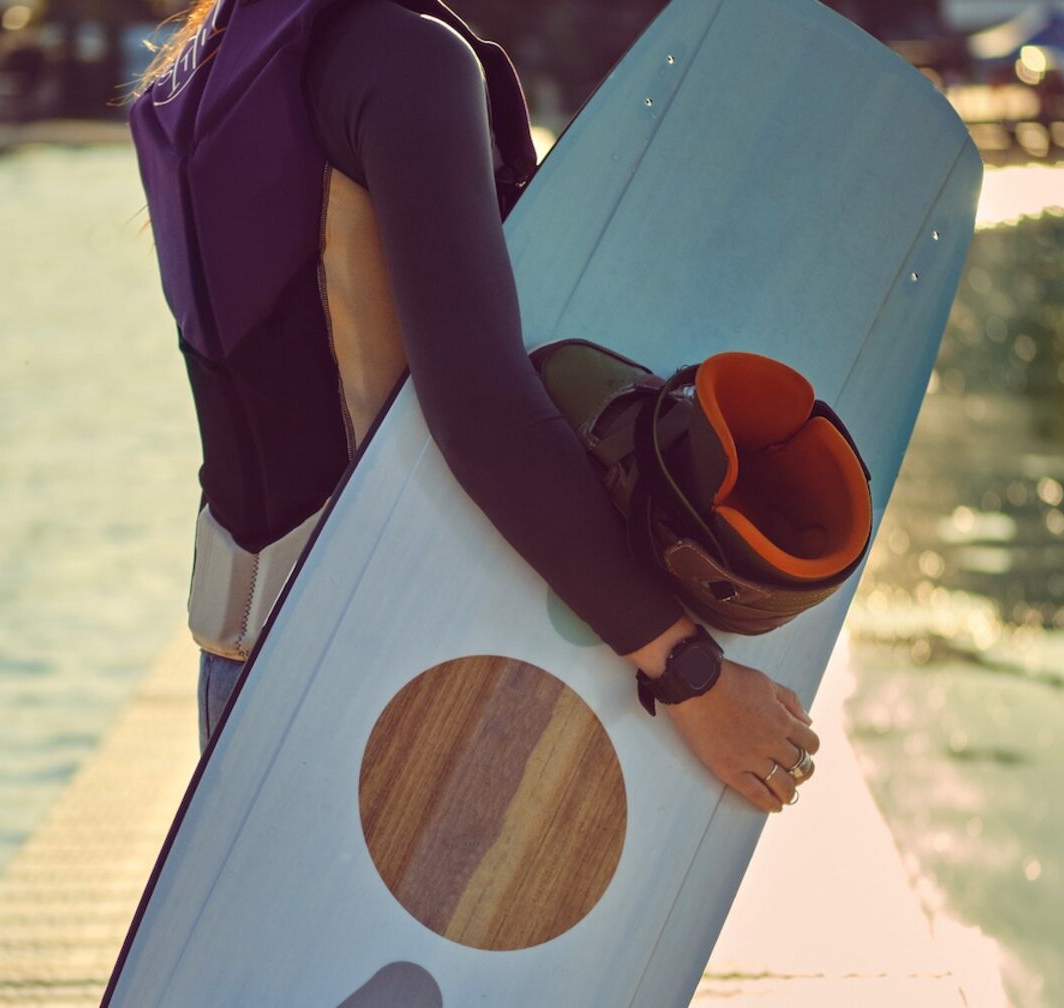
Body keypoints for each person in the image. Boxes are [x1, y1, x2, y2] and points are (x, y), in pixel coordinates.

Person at [125, 0, 818, 812]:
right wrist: (689, 673)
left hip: (244, 667)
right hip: (395, 675)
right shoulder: (403, 61)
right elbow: (481, 411)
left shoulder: (205, 70)